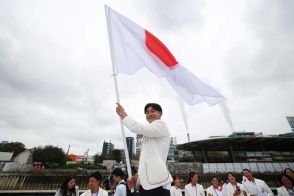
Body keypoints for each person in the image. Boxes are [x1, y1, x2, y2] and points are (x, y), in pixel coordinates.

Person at [116, 103, 173, 196]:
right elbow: (145, 161)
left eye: (153, 111)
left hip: (158, 184)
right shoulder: (147, 134)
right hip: (146, 185)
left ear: (161, 113)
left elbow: (137, 127)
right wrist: (137, 178)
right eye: (147, 112)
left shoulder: (161, 125)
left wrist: (122, 114)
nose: (150, 114)